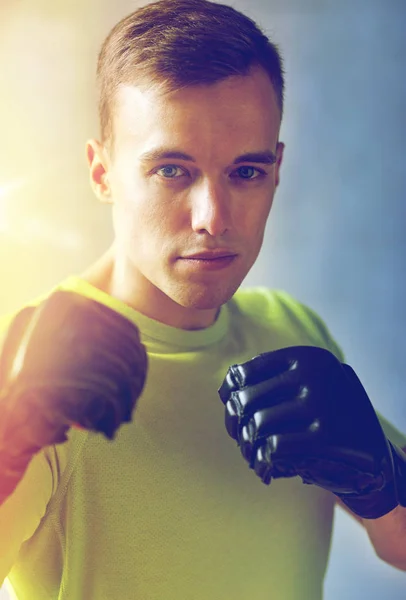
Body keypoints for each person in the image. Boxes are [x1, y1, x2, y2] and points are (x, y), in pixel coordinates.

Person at [0, 0, 405, 598]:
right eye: (171, 170)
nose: (213, 218)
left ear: (277, 170)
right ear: (102, 172)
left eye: (246, 172)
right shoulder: (31, 360)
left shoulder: (292, 330)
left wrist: (383, 478)